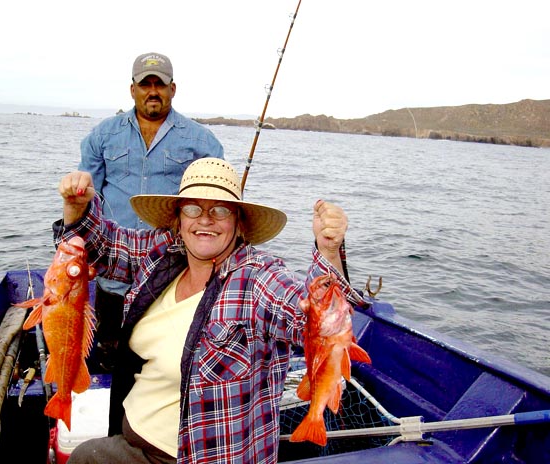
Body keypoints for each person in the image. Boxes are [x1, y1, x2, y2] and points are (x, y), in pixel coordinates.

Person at [56, 158, 363, 464]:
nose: (204, 220)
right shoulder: (165, 252)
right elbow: (103, 248)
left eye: (220, 210)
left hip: (201, 456)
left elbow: (307, 317)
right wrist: (76, 206)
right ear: (178, 219)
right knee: (84, 458)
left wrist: (329, 253)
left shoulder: (258, 276)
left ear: (238, 222)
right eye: (192, 208)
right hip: (132, 441)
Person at [79, 52, 224, 369]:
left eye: (161, 84)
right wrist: (84, 249)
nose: (153, 91)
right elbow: (87, 200)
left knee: (166, 362)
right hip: (113, 271)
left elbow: (216, 205)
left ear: (174, 89)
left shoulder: (202, 140)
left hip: (171, 274)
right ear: (133, 89)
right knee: (109, 359)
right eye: (146, 84)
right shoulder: (103, 136)